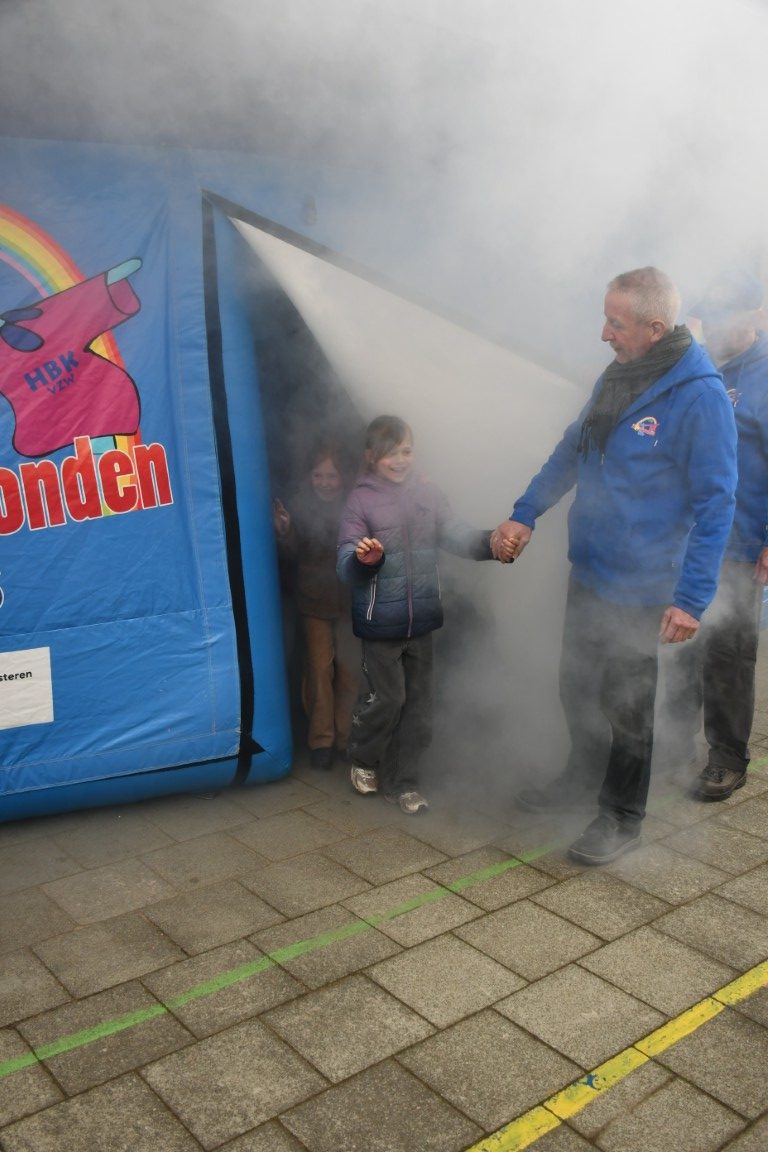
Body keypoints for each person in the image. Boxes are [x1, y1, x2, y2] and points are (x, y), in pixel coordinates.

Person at [490, 267, 738, 865]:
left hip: (644, 584)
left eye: (615, 323)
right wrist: (526, 513)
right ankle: (580, 777)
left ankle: (622, 817)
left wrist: (691, 598)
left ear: (655, 328)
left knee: (626, 702)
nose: (604, 334)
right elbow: (572, 449)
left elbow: (717, 503)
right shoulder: (618, 375)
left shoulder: (699, 396)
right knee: (575, 685)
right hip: (591, 569)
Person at [337, 415, 506, 814]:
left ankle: (404, 784)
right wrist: (365, 560)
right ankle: (364, 757)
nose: (400, 460)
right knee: (388, 699)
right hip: (381, 625)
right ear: (370, 457)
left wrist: (493, 544)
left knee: (419, 708)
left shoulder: (428, 494)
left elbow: (456, 534)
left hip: (423, 619)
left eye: (406, 451)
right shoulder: (360, 501)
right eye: (389, 454)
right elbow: (345, 563)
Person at [659, 270, 768, 800]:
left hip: (742, 539)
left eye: (729, 316)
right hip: (690, 538)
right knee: (682, 642)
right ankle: (675, 743)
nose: (717, 326)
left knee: (729, 652)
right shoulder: (697, 365)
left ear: (756, 316)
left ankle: (727, 756)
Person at [274, 440, 360, 770]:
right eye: (318, 475)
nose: (324, 482)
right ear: (309, 477)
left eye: (331, 476)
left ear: (343, 477)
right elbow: (292, 552)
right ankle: (321, 741)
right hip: (314, 601)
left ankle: (346, 738)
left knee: (350, 672)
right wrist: (285, 531)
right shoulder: (302, 506)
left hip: (350, 600)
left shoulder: (356, 504)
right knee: (320, 670)